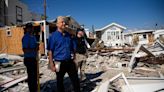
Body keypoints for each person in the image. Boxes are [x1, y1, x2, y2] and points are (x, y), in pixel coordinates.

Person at [48, 16, 80, 92]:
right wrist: (51, 64)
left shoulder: (68, 35)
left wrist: (75, 60)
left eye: (64, 22)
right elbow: (50, 51)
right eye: (61, 22)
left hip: (69, 61)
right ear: (57, 24)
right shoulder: (53, 36)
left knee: (75, 81)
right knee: (60, 82)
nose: (64, 23)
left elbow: (73, 49)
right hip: (59, 62)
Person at [22, 23, 38, 92]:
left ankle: (35, 89)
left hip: (34, 58)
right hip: (28, 59)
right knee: (31, 76)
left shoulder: (33, 37)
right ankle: (32, 90)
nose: (31, 29)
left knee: (35, 76)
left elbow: (35, 47)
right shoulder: (26, 37)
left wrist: (37, 47)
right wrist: (34, 49)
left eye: (31, 27)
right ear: (27, 29)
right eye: (29, 28)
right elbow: (25, 50)